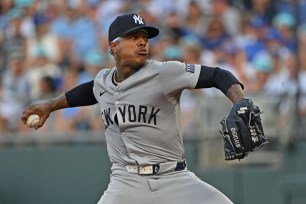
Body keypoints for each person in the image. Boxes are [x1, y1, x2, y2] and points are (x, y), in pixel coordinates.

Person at [21, 13, 250, 204]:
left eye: (145, 38)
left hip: (174, 178)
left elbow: (218, 75)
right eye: (134, 37)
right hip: (125, 182)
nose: (142, 42)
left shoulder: (164, 73)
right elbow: (87, 92)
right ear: (114, 45)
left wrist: (239, 101)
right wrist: (49, 106)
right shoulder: (103, 81)